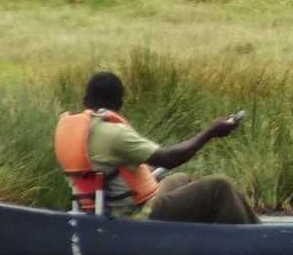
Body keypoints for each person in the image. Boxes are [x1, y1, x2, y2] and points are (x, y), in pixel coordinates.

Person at [54, 71, 258, 223]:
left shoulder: (68, 130)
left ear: (85, 100)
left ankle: (199, 239)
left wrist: (143, 173)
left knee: (181, 179)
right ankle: (255, 239)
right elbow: (170, 158)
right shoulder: (114, 134)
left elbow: (106, 168)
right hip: (132, 217)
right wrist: (210, 132)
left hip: (99, 210)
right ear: (119, 103)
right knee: (219, 187)